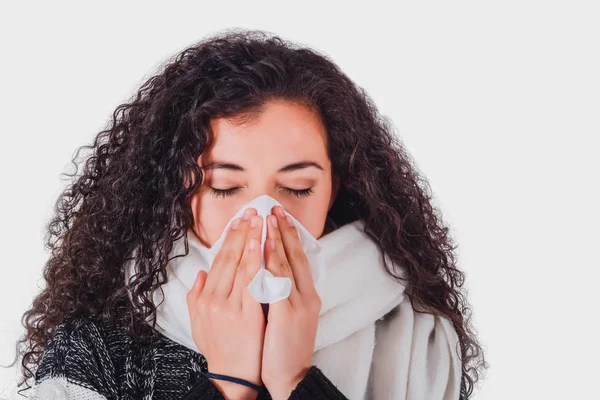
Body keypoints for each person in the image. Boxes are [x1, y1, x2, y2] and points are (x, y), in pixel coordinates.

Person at [11, 29, 487, 399]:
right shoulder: (96, 348)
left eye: (297, 187)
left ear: (333, 189)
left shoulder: (418, 339)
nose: (262, 217)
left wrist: (297, 381)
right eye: (225, 187)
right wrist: (227, 384)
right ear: (181, 190)